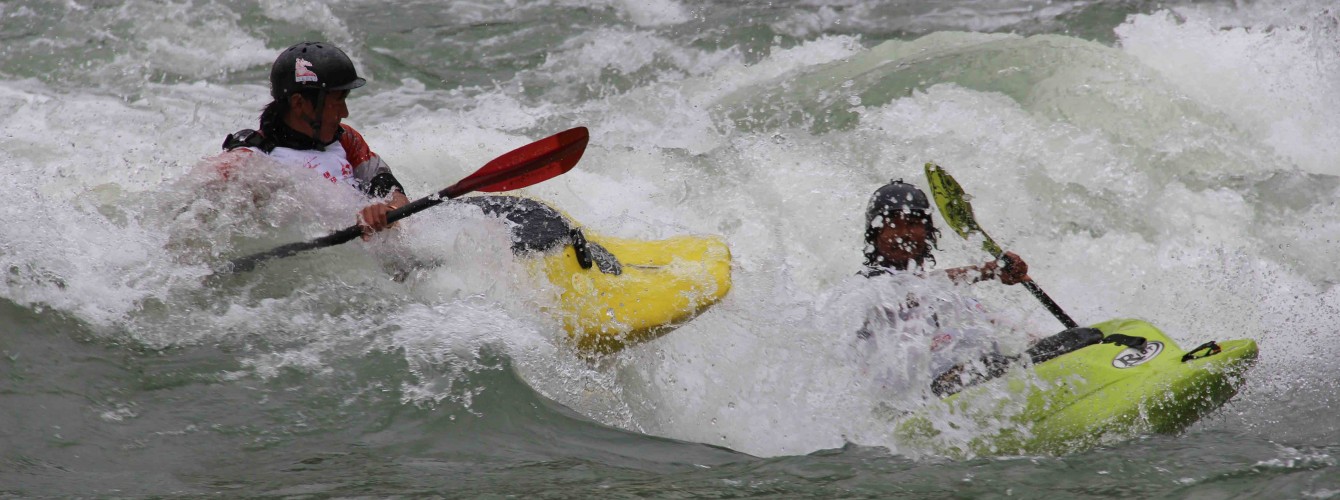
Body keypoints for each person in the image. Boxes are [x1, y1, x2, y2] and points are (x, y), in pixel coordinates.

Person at [855, 179, 1032, 397]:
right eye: (892, 225)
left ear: (928, 232)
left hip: (963, 377)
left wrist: (1034, 342)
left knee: (995, 326)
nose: (903, 233)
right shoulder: (865, 286)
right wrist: (987, 271)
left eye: (912, 223)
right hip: (905, 397)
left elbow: (999, 324)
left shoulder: (948, 296)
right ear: (875, 235)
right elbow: (908, 292)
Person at [216, 41, 410, 238]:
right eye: (338, 101)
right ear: (299, 103)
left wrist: (388, 210)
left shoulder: (346, 139)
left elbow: (393, 192)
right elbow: (203, 199)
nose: (345, 112)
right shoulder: (250, 157)